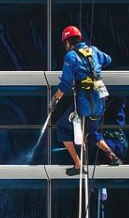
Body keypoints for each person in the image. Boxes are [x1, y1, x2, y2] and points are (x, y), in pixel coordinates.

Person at [50, 25, 122, 175]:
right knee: (92, 130)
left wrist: (54, 101)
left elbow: (64, 85)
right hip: (100, 102)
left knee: (62, 128)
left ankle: (78, 165)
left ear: (68, 42)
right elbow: (108, 59)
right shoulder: (93, 51)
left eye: (65, 44)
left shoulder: (71, 57)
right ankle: (112, 155)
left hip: (84, 103)